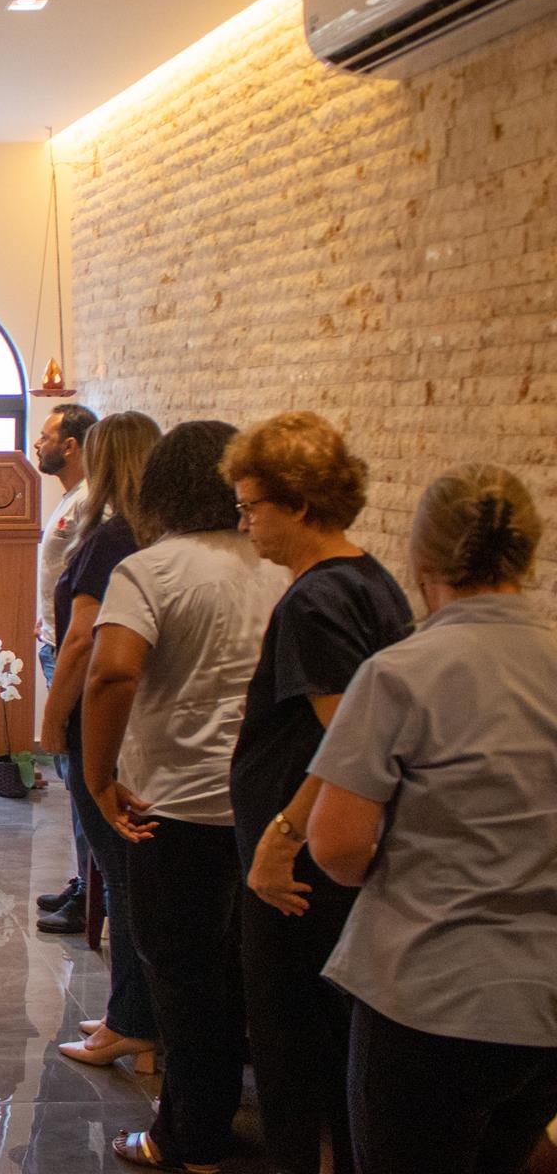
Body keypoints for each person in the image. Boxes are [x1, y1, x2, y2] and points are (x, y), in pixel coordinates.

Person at [308, 465, 557, 1174]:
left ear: (422, 558)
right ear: (527, 555)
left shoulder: (401, 673)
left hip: (428, 994)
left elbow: (337, 845)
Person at [81, 419, 286, 1173]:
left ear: (161, 487)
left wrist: (99, 777)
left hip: (175, 802)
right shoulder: (279, 566)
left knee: (184, 978)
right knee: (245, 973)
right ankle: (264, 1128)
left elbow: (111, 672)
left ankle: (190, 1139)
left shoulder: (150, 569)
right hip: (266, 808)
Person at [221, 413, 413, 1174]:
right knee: (328, 1041)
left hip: (299, 865)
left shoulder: (316, 600)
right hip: (326, 854)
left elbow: (350, 741)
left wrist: (281, 837)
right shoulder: (371, 579)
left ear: (298, 505)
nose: (245, 525)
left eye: (252, 508)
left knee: (289, 1043)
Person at [38, 410, 161, 1070]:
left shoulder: (109, 537)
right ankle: (134, 1011)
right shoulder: (152, 532)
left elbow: (84, 641)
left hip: (98, 715)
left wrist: (53, 717)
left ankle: (132, 1020)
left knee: (120, 873)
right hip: (141, 721)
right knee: (127, 872)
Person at [29, 402, 97, 934]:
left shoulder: (92, 502)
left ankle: (94, 893)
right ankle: (86, 879)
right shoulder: (70, 499)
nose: (37, 443)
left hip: (74, 649)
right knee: (72, 777)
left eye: (46, 436)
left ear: (71, 445)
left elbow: (89, 586)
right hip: (54, 641)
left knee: (79, 774)